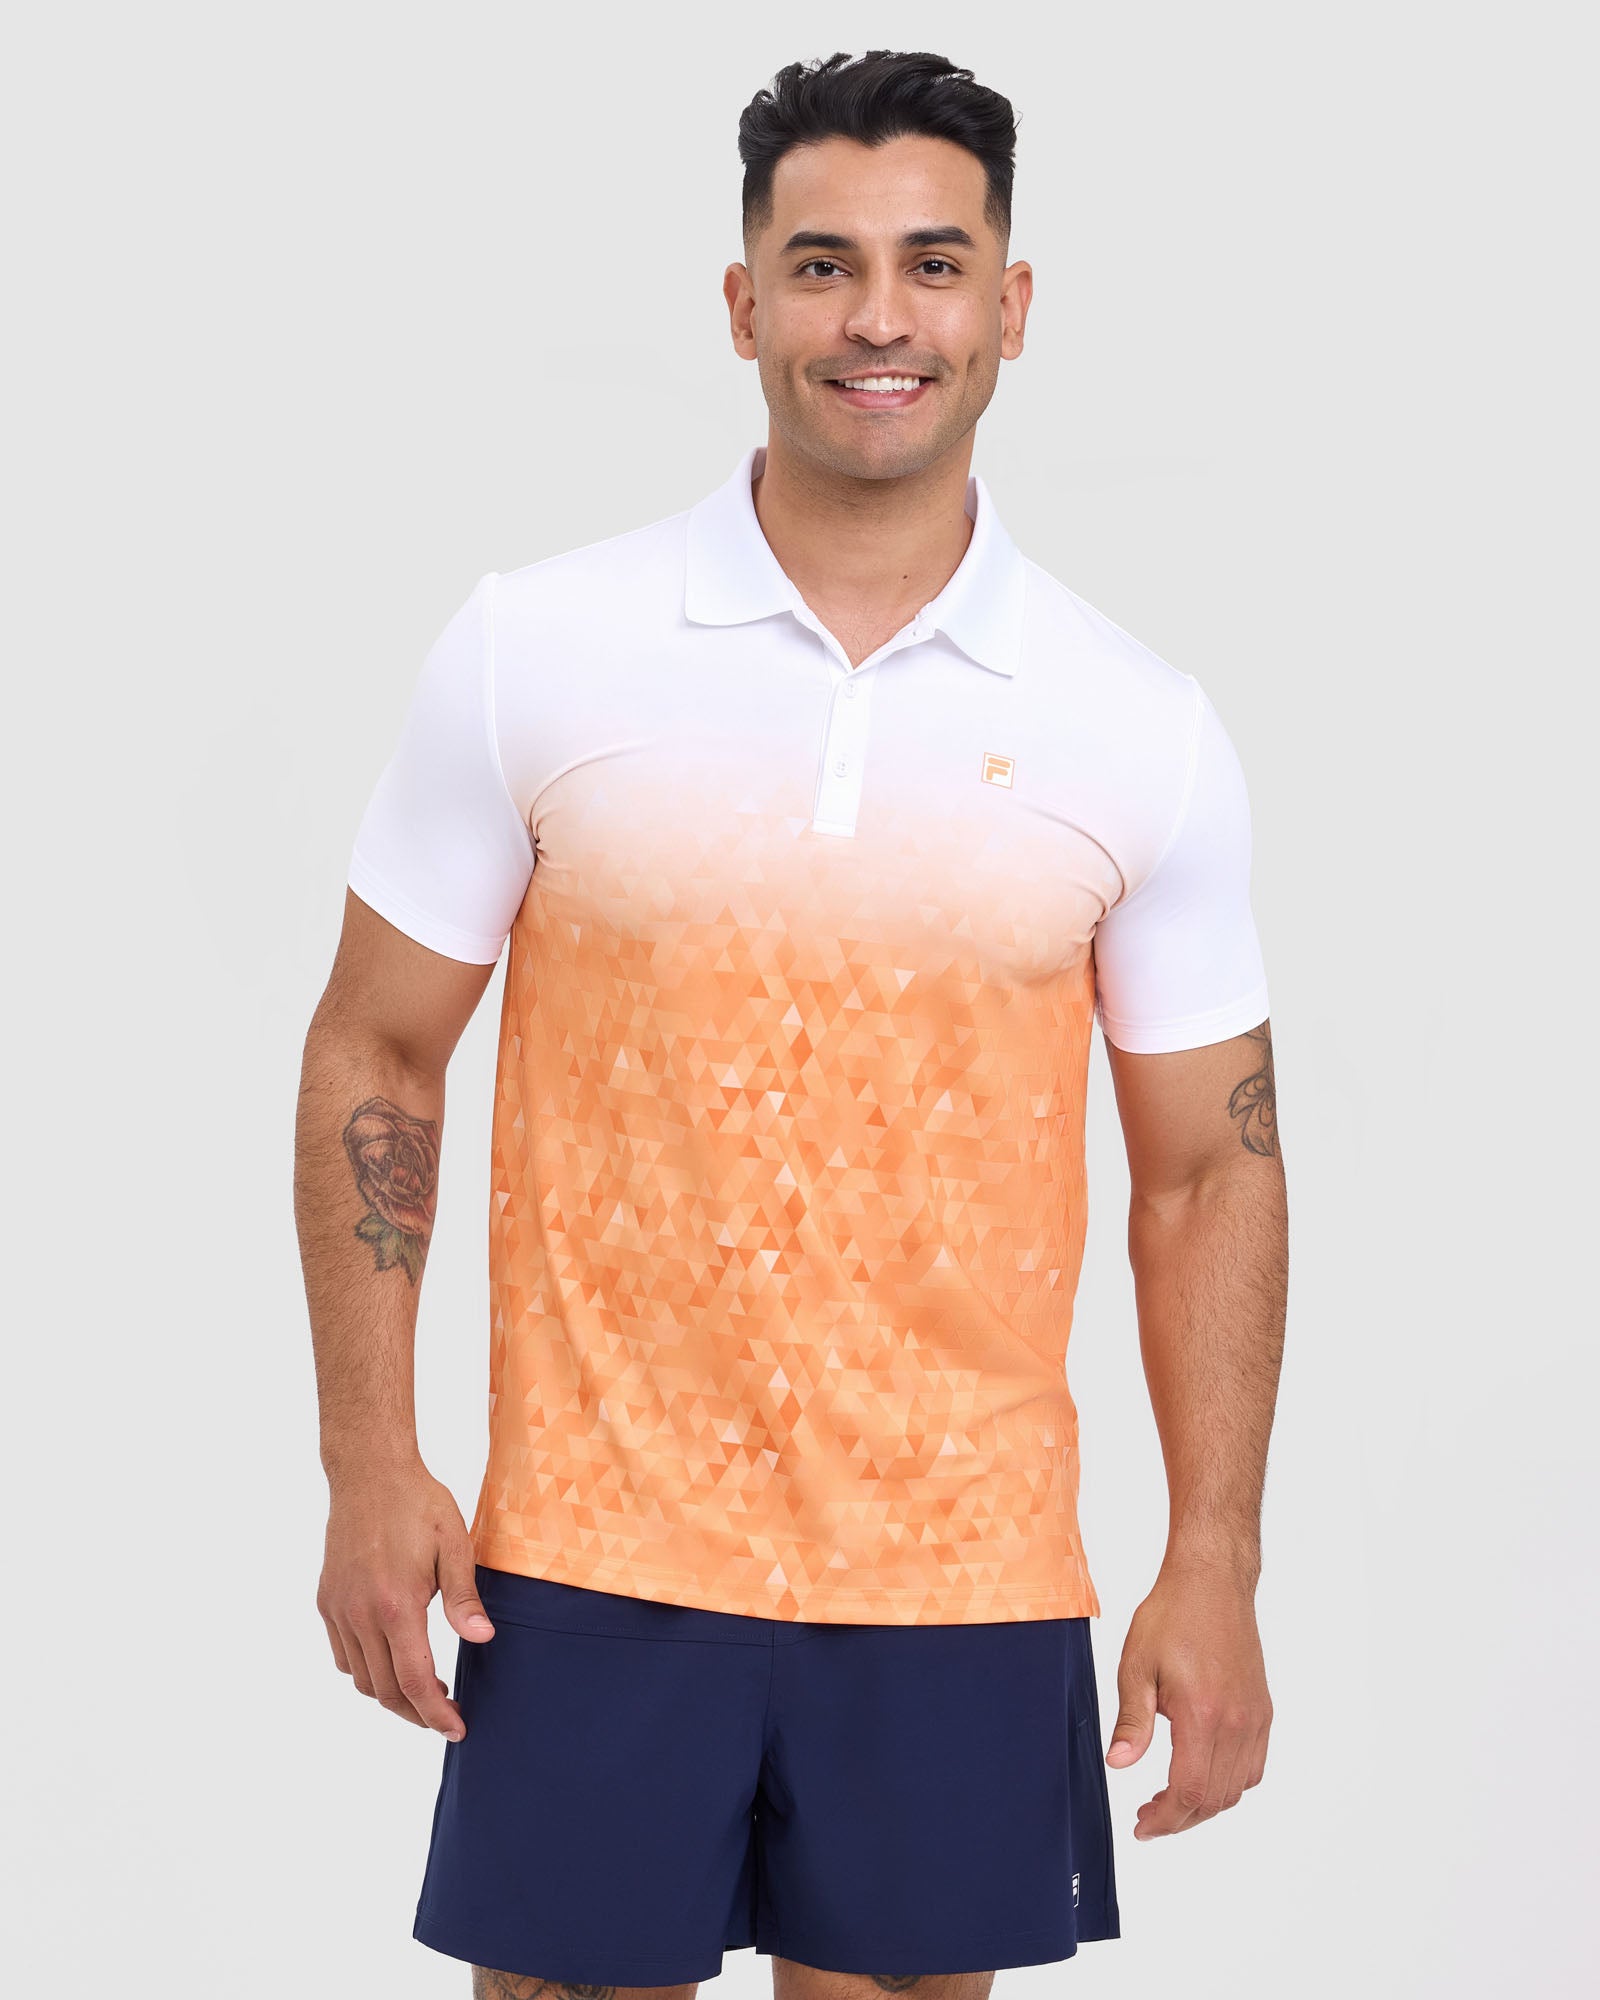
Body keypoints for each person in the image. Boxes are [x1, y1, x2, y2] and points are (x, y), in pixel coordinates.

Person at [294, 46, 1288, 2000]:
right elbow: (376, 1051)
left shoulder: (1134, 726)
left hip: (961, 1567)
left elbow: (1206, 1174)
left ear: (1010, 308)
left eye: (934, 264)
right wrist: (367, 1463)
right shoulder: (540, 649)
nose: (878, 318)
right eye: (824, 265)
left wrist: (1216, 1555)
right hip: (586, 1554)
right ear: (745, 303)